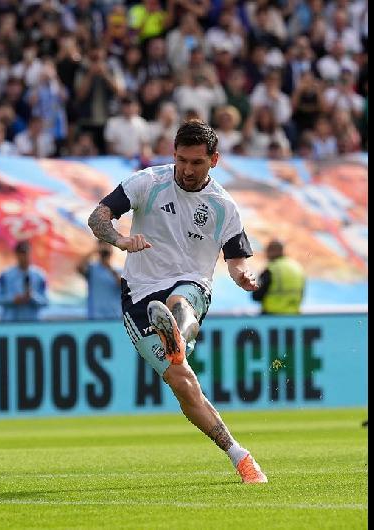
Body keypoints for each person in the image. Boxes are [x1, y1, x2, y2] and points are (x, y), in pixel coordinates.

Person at [86, 119, 268, 484]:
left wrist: (242, 276)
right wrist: (120, 241)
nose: (186, 169)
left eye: (196, 162)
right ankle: (239, 455)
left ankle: (176, 335)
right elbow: (98, 217)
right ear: (173, 154)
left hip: (191, 283)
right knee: (182, 383)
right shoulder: (148, 183)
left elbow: (235, 260)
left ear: (213, 160)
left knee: (179, 300)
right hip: (138, 295)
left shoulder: (223, 206)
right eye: (181, 159)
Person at [0, 241, 48, 322]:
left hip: (32, 324)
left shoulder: (39, 275)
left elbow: (45, 301)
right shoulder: (6, 275)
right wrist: (13, 300)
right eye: (21, 254)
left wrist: (32, 297)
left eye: (26, 253)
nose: (24, 257)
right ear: (16, 255)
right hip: (10, 323)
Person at [251, 239, 305, 314]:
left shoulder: (271, 269)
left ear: (271, 251)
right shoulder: (296, 267)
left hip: (272, 316)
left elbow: (256, 296)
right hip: (294, 315)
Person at [77, 240, 122, 320]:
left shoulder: (119, 270)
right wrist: (94, 251)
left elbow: (122, 285)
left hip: (115, 317)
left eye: (108, 246)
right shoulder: (92, 269)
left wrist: (108, 266)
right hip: (95, 317)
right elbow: (79, 267)